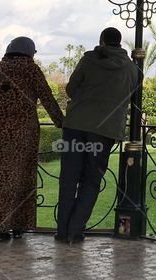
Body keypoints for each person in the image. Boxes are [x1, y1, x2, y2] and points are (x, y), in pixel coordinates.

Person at [0, 36, 64, 242]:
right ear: (29, 51)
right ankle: (19, 225)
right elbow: (47, 97)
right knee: (20, 177)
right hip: (22, 133)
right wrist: (60, 121)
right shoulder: (31, 69)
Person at [56, 26, 139, 243]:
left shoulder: (89, 61)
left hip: (75, 127)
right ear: (120, 43)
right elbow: (130, 98)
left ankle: (63, 232)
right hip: (104, 132)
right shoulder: (131, 69)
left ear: (101, 41)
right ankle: (75, 230)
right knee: (91, 181)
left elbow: (71, 89)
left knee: (68, 178)